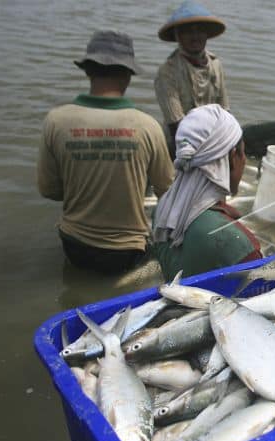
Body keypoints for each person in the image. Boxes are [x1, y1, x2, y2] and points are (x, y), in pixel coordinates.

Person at [37, 30, 175, 274]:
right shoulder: (147, 126)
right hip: (127, 252)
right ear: (129, 75)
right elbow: (168, 192)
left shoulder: (55, 121)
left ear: (88, 70)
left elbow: (49, 190)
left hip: (73, 245)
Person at [151, 104, 262, 280]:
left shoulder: (162, 211)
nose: (245, 159)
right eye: (243, 152)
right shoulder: (238, 244)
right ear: (233, 156)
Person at [155, 0, 229, 159]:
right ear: (177, 35)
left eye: (200, 30)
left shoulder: (216, 65)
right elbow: (177, 124)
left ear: (207, 34)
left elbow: (225, 111)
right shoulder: (167, 72)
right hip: (177, 146)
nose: (195, 36)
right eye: (188, 31)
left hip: (212, 142)